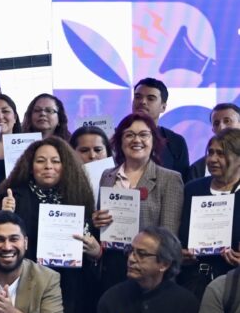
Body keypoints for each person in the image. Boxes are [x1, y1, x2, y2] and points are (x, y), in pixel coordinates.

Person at [0, 137, 102, 313]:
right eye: (41, 161)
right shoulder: (14, 197)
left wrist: (96, 252)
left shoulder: (79, 194)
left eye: (55, 161)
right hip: (31, 288)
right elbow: (2, 246)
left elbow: (92, 247)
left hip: (73, 291)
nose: (48, 166)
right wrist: (6, 215)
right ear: (30, 166)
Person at [94, 112, 184, 292]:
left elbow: (168, 236)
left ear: (154, 141)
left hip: (149, 272)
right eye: (129, 135)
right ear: (120, 141)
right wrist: (97, 221)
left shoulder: (169, 179)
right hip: (111, 266)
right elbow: (101, 224)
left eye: (144, 134)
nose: (136, 140)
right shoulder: (107, 176)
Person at [178, 128, 240, 299]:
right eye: (210, 152)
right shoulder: (192, 189)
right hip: (193, 281)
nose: (212, 159)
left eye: (221, 154)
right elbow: (177, 234)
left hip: (235, 285)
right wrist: (179, 253)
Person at [131, 78, 190, 175]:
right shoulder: (114, 137)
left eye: (150, 98)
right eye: (138, 97)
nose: (143, 102)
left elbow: (182, 181)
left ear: (163, 107)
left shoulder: (176, 142)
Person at [190, 103, 240, 180]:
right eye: (216, 123)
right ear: (213, 130)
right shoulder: (198, 168)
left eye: (227, 121)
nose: (222, 127)